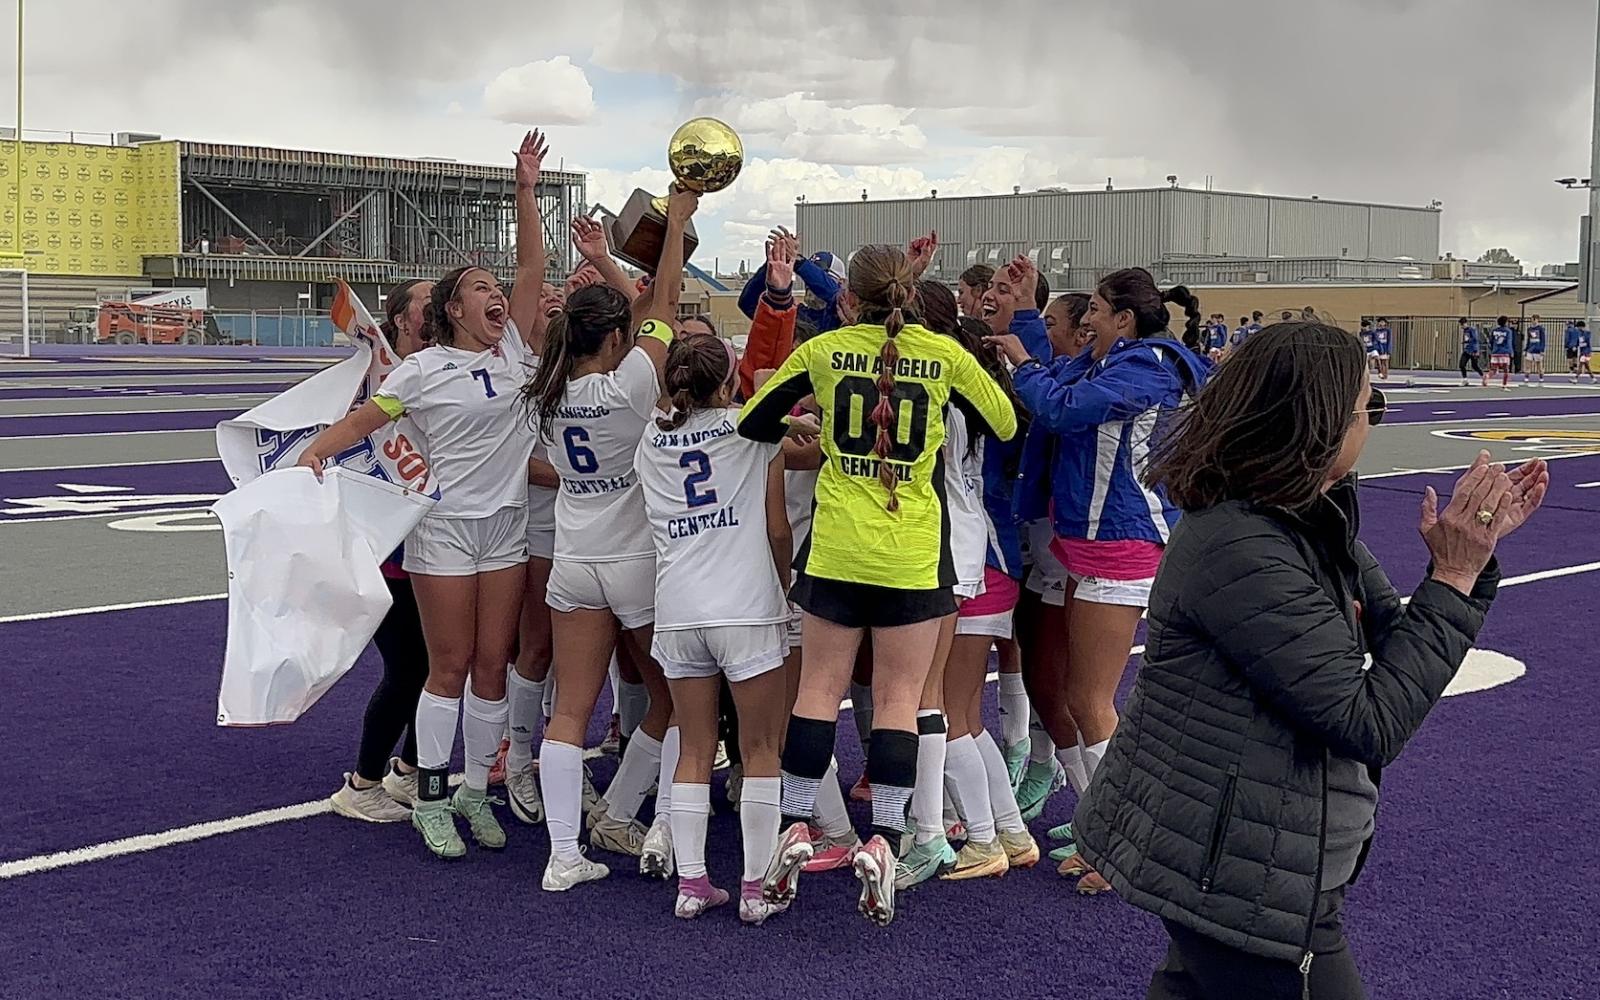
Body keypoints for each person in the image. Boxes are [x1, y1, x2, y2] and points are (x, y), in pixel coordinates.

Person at [1074, 322, 1547, 1000]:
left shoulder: (1298, 514)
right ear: (1318, 426)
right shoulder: (1245, 544)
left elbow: (1396, 634)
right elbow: (1369, 722)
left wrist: (1464, 563)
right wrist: (1452, 579)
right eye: (1366, 409)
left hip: (1235, 854)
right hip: (1239, 874)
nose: (1372, 421)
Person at [738, 243, 1018, 927]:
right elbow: (1006, 422)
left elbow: (754, 419)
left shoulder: (828, 349)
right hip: (912, 557)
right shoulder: (946, 356)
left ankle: (796, 826)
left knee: (816, 692)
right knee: (897, 700)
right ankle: (887, 840)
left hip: (836, 549)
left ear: (850, 297)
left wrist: (815, 426)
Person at [986, 267, 1209, 894]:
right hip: (1095, 541)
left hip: (1121, 542)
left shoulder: (1147, 369)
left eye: (1097, 312)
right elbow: (1060, 374)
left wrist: (1025, 362)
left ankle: (1119, 842)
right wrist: (1026, 328)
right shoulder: (1119, 359)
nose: (1085, 322)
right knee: (1072, 694)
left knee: (1088, 700)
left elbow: (1058, 406)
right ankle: (1103, 830)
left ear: (1124, 319)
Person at [523, 186, 700, 891]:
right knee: (678, 700)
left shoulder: (547, 390)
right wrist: (677, 226)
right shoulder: (630, 384)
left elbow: (643, 319)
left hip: (574, 560)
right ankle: (657, 825)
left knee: (569, 709)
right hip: (636, 559)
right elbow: (661, 309)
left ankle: (564, 854)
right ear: (616, 339)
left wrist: (597, 258)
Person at [636, 334, 816, 923]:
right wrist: (785, 584)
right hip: (744, 604)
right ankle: (755, 889)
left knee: (693, 746)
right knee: (760, 748)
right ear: (728, 379)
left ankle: (692, 883)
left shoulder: (651, 440)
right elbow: (776, 524)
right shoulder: (751, 430)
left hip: (679, 606)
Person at [326, 277, 435, 823]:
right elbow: (344, 434)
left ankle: (410, 772)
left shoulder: (445, 367)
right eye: (426, 300)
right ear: (399, 320)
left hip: (436, 546)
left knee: (439, 666)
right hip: (386, 551)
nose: (437, 305)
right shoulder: (372, 378)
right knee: (410, 665)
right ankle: (363, 781)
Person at [938, 310, 1039, 881]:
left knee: (949, 714)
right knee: (966, 718)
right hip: (990, 562)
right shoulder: (997, 408)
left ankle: (981, 838)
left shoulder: (953, 411)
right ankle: (1009, 829)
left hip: (971, 565)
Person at [1485, 316, 1513, 389]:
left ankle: (1487, 376)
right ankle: (1504, 384)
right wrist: (1511, 352)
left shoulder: (1494, 330)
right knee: (1506, 370)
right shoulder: (1508, 331)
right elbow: (1509, 342)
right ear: (1506, 322)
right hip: (1504, 353)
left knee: (1493, 369)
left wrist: (1492, 349)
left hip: (1495, 352)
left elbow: (1490, 341)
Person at [1458, 318, 1483, 384]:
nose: (1462, 326)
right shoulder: (1465, 331)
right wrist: (1465, 342)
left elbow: (1475, 340)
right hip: (1467, 350)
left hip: (1473, 350)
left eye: (1462, 324)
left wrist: (1476, 350)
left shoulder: (1472, 329)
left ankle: (1483, 376)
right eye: (1461, 325)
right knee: (1462, 364)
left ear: (1466, 323)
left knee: (1475, 366)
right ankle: (1465, 379)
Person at [1524, 315, 1546, 382]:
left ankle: (1541, 377)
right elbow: (1528, 339)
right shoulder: (1529, 329)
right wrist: (1526, 349)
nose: (1533, 321)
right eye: (1532, 319)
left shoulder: (1540, 329)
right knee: (1528, 364)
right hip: (1530, 349)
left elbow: (1543, 340)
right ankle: (1527, 377)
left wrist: (1542, 350)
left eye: (1535, 319)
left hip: (1538, 349)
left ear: (1537, 320)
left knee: (1539, 365)